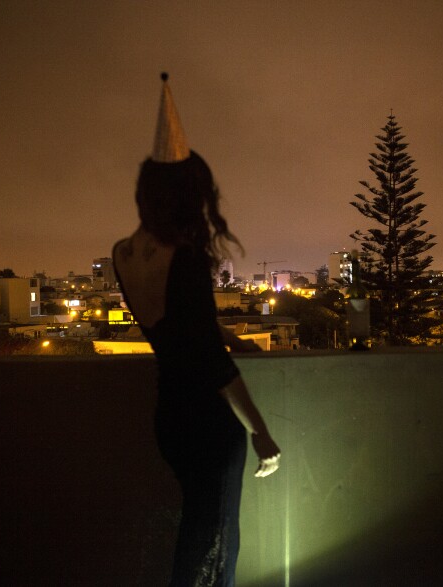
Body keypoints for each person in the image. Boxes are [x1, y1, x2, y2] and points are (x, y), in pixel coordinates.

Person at [113, 73, 280, 586]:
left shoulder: (123, 255)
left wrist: (219, 333)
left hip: (170, 418)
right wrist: (261, 432)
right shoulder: (182, 258)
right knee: (214, 540)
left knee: (199, 531)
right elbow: (211, 362)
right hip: (208, 425)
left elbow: (175, 330)